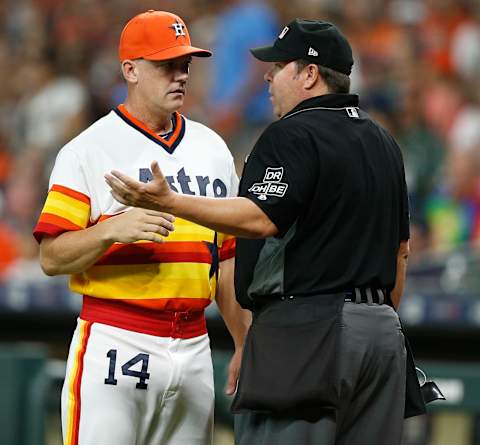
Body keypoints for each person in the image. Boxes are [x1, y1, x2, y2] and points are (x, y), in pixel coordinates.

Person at [106, 18, 427, 445]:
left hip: (309, 333)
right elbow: (401, 251)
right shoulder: (384, 142)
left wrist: (170, 202)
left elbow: (260, 217)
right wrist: (374, 322)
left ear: (309, 74)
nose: (268, 77)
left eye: (279, 67)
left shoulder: (292, 133)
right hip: (383, 336)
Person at [34, 10, 250, 445]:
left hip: (193, 343)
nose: (181, 75)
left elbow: (225, 260)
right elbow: (51, 257)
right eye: (166, 64)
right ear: (130, 70)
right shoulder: (89, 149)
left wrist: (245, 342)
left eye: (185, 64)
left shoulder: (213, 149)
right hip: (117, 337)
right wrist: (110, 230)